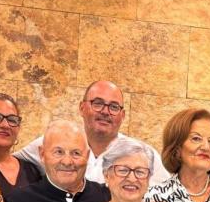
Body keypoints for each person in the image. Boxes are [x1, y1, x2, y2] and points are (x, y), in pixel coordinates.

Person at [15, 80, 169, 186]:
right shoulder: (55, 143)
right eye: (98, 103)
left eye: (114, 107)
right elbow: (9, 162)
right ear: (82, 108)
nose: (105, 112)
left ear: (122, 116)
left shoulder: (141, 153)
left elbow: (166, 195)